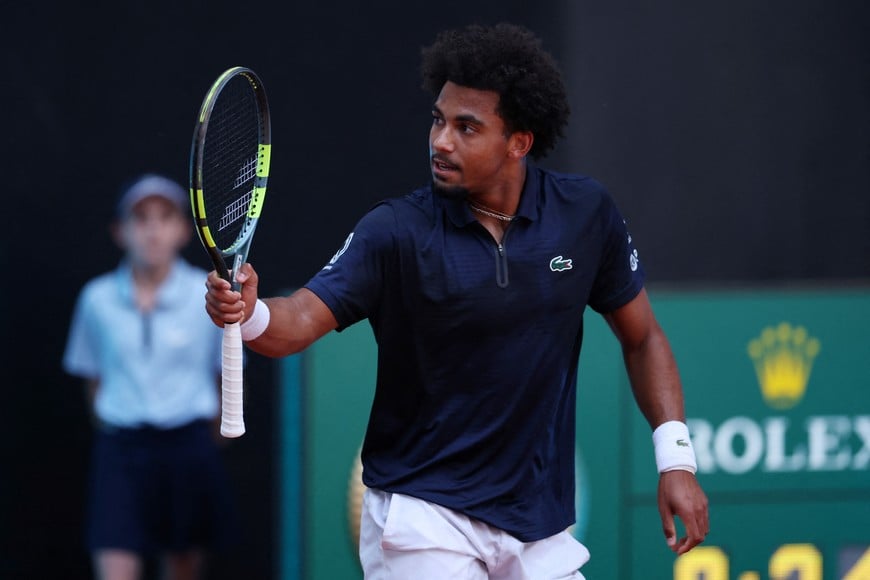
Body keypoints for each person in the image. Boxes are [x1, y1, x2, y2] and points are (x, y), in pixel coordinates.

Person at [205, 22, 708, 579]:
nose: (441, 141)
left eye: (467, 127)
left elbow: (643, 338)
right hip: (423, 516)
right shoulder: (394, 231)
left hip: (538, 523)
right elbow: (297, 321)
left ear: (519, 142)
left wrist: (676, 460)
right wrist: (250, 313)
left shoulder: (585, 215)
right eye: (439, 120)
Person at [63, 174, 236, 580]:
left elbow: (223, 374)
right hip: (121, 450)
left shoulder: (208, 294)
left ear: (181, 231)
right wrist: (118, 421)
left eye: (164, 217)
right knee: (115, 565)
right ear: (120, 232)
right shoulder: (96, 300)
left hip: (188, 447)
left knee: (182, 567)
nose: (152, 230)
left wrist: (203, 436)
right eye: (140, 219)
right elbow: (93, 379)